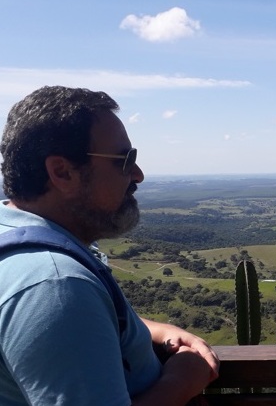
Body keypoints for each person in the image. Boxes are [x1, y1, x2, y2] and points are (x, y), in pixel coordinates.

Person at [0, 86, 219, 405]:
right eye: (125, 159)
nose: (138, 175)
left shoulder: (12, 235)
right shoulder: (57, 286)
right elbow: (58, 309)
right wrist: (181, 380)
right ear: (62, 172)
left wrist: (154, 331)